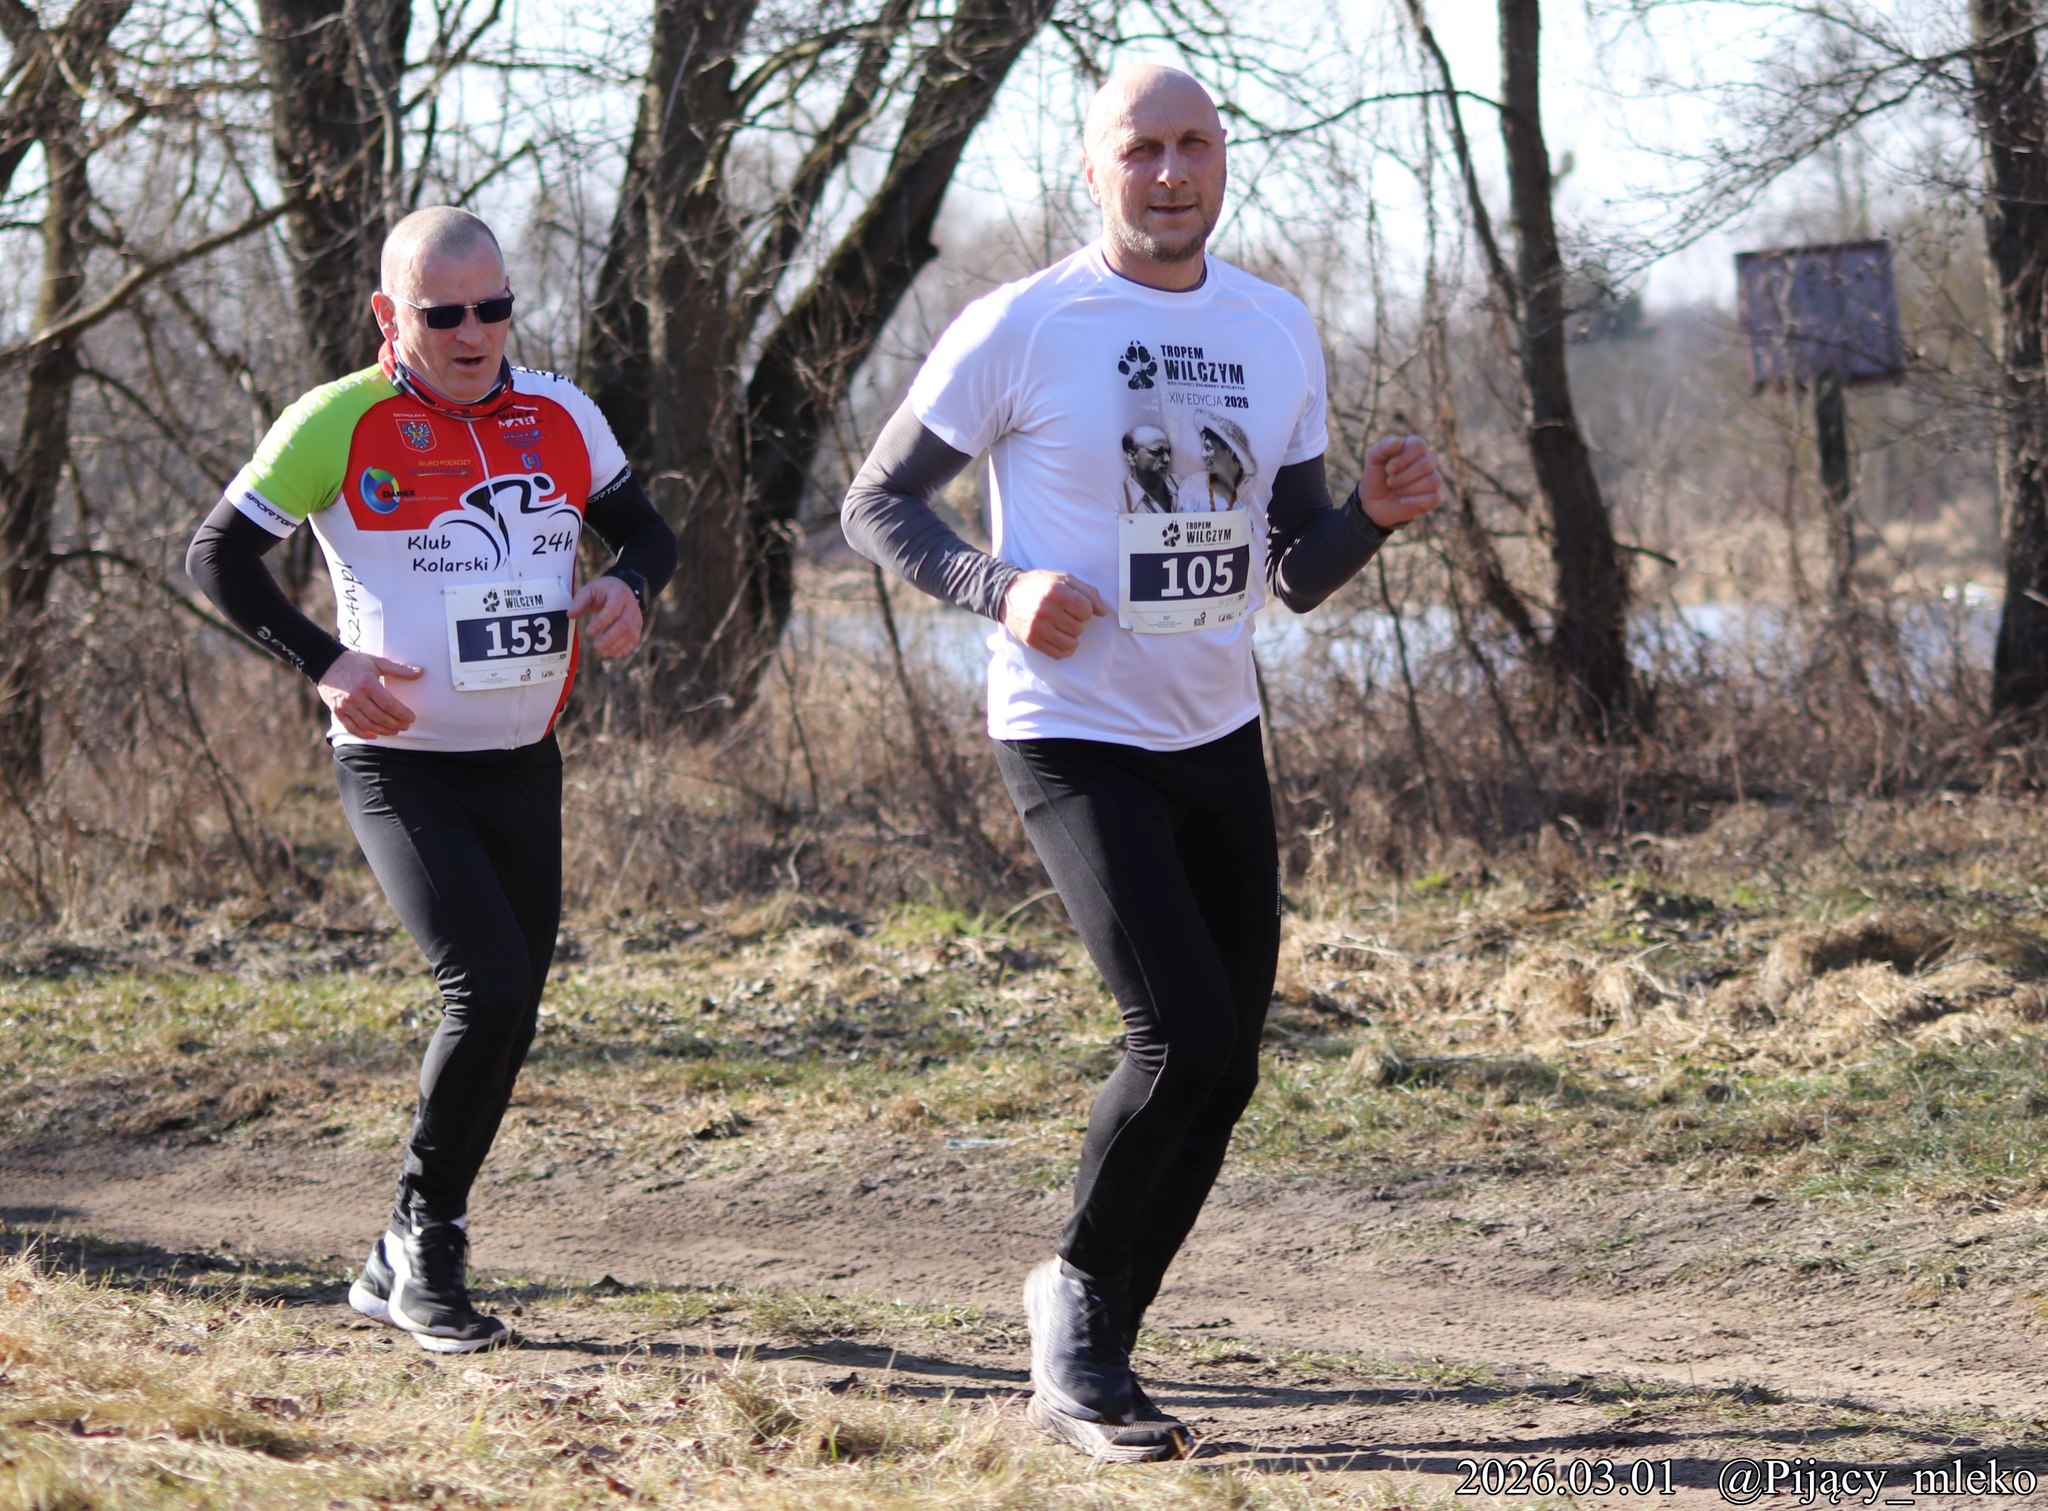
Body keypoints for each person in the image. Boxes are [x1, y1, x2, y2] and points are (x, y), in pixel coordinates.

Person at [841, 64, 1441, 1460]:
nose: (1170, 173)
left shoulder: (1274, 325)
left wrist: (1369, 514)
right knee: (1179, 1030)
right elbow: (876, 501)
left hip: (1216, 729)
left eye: (1192, 145)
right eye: (1140, 149)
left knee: (1227, 1064)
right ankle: (1073, 1306)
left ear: (1220, 159)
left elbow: (1293, 568)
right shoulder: (1023, 323)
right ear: (1094, 170)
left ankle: (1098, 1329)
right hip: (1070, 727)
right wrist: (998, 587)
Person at [186, 207, 677, 1354]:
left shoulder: (561, 412)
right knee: (486, 988)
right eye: (441, 312)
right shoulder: (338, 420)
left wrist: (628, 588)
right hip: (398, 764)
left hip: (523, 760)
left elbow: (646, 532)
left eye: (492, 307)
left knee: (512, 1014)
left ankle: (394, 1253)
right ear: (387, 314)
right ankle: (428, 1241)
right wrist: (327, 662)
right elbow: (216, 553)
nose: (471, 332)